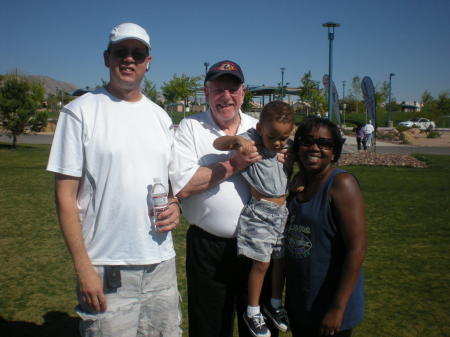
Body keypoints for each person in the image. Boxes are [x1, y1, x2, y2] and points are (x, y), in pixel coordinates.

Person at [47, 22, 182, 337]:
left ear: (148, 62)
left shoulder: (161, 117)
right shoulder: (80, 112)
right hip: (107, 265)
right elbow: (64, 197)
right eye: (121, 52)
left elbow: (169, 184)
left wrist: (176, 204)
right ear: (107, 58)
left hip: (161, 264)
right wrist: (83, 268)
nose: (129, 59)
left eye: (138, 53)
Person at [169, 60, 278, 337]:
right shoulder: (191, 127)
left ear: (242, 93)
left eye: (232, 89)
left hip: (259, 245)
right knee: (209, 328)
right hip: (208, 248)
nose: (226, 96)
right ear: (207, 93)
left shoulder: (261, 127)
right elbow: (183, 186)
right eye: (218, 89)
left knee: (258, 329)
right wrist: (234, 164)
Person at [213, 101, 293, 337]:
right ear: (259, 128)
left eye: (284, 137)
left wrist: (292, 154)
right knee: (262, 263)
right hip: (260, 212)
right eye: (273, 137)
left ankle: (275, 304)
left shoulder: (286, 148)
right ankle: (252, 310)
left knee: (280, 261)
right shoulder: (250, 140)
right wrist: (238, 142)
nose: (278, 143)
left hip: (283, 212)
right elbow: (217, 144)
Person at [285, 117, 367, 337]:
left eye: (325, 143)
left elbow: (357, 249)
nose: (314, 148)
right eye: (307, 141)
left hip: (330, 306)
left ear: (335, 151)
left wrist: (337, 308)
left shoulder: (342, 184)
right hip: (301, 302)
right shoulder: (298, 184)